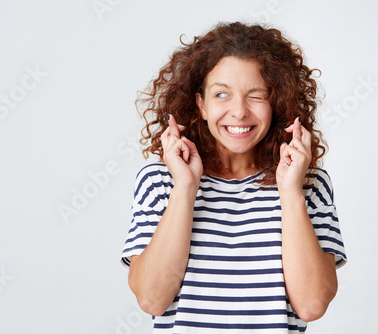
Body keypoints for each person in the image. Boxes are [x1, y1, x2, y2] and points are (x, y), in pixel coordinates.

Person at [120, 21, 346, 333]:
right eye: (222, 94)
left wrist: (291, 192)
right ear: (201, 104)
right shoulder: (160, 181)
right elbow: (152, 299)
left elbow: (311, 305)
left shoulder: (308, 184)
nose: (239, 111)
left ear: (276, 103)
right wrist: (185, 187)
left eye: (256, 95)